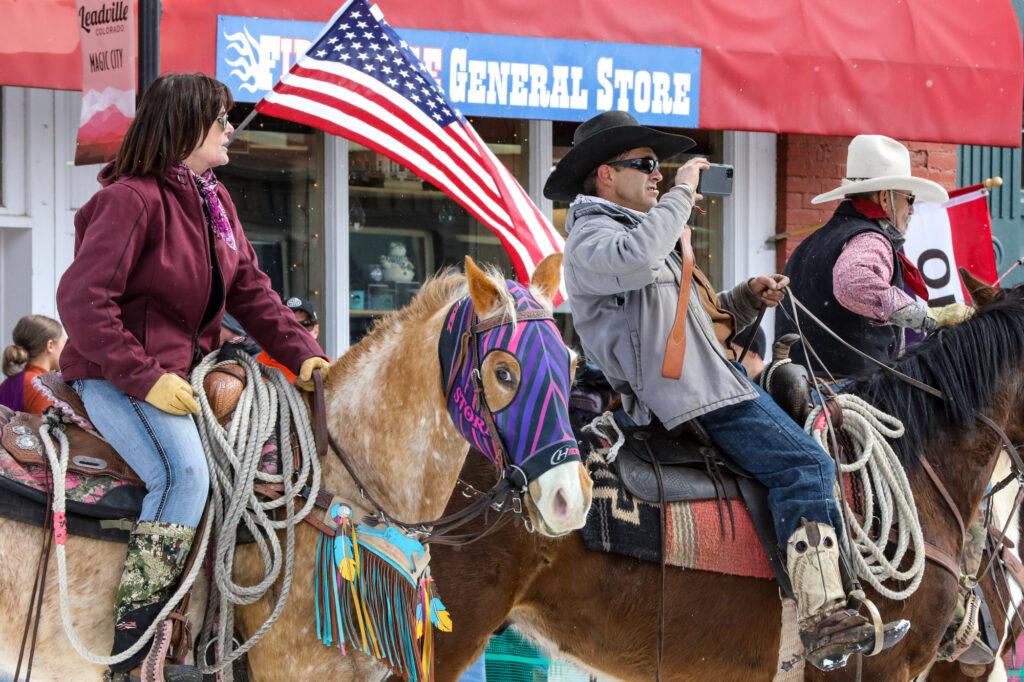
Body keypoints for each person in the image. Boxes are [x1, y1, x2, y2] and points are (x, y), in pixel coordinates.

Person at [545, 111, 906, 670]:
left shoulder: (643, 233)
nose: (659, 174)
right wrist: (684, 194)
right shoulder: (595, 237)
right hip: (690, 398)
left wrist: (742, 299)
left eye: (660, 167)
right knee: (806, 466)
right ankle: (822, 616)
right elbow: (637, 263)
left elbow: (686, 325)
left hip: (706, 382)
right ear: (604, 176)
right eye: (645, 165)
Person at [55, 73, 331, 680]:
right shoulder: (129, 200)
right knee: (184, 474)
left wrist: (303, 352)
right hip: (115, 375)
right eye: (220, 120)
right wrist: (145, 377)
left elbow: (251, 291)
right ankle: (136, 638)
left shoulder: (214, 201)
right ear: (185, 127)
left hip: (186, 373)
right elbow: (82, 301)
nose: (231, 129)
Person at [776, 135, 971, 377]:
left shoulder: (812, 242)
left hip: (803, 384)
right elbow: (853, 282)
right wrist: (930, 316)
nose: (912, 209)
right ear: (884, 197)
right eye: (909, 199)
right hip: (845, 392)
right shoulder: (871, 239)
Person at [0, 314, 65, 414]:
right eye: (63, 343)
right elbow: (49, 428)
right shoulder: (42, 387)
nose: (65, 350)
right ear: (50, 345)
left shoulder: (6, 384)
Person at [256, 297, 320, 382]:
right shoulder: (259, 365)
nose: (297, 331)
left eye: (305, 324)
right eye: (289, 324)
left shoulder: (325, 367)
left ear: (316, 331)